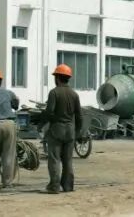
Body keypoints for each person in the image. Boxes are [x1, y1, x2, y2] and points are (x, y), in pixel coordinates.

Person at [44, 63, 83, 194]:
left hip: (57, 130)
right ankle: (68, 186)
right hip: (70, 131)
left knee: (54, 159)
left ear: (57, 78)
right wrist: (78, 132)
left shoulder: (54, 93)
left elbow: (49, 112)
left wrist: (44, 123)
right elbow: (79, 116)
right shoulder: (74, 94)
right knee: (68, 160)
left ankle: (54, 186)